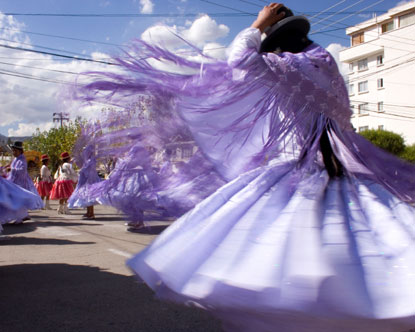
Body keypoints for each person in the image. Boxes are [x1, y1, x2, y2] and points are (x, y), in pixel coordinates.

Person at [76, 4, 415, 331]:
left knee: (277, 268)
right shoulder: (328, 71)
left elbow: (239, 59)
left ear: (279, 48)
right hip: (346, 177)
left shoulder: (288, 70)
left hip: (298, 177)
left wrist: (256, 25)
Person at [7, 141, 42, 222]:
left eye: (15, 151)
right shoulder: (16, 159)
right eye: (13, 150)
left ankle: (21, 216)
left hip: (21, 183)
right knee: (15, 200)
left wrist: (12, 169)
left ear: (20, 151)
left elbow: (22, 170)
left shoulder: (22, 160)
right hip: (15, 182)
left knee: (18, 200)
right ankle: (23, 215)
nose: (13, 152)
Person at [68, 145, 101, 220]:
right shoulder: (88, 160)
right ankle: (88, 212)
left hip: (89, 182)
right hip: (85, 181)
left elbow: (88, 171)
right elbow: (83, 168)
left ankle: (91, 213)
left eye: (85, 151)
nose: (84, 153)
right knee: (86, 197)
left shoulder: (91, 160)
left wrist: (81, 170)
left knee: (89, 197)